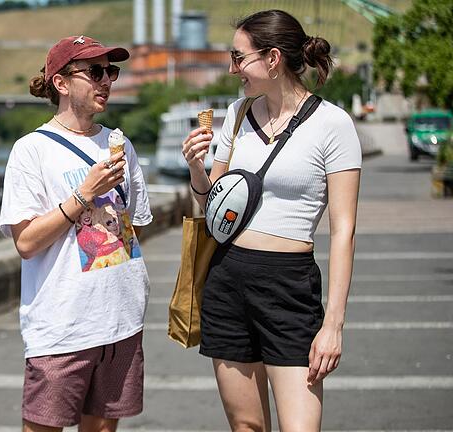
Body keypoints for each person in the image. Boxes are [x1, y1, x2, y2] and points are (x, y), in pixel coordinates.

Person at [181, 10, 361, 431]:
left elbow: (344, 231)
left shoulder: (333, 125)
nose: (232, 68)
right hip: (226, 279)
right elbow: (214, 206)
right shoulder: (237, 114)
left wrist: (333, 323)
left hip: (289, 286)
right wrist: (195, 169)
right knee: (247, 427)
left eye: (238, 57)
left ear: (273, 58)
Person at [0, 35, 153, 432]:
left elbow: (132, 226)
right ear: (61, 83)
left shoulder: (120, 145)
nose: (106, 81)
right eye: (95, 71)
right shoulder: (31, 150)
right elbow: (27, 243)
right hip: (63, 326)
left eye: (111, 71)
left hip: (121, 319)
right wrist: (85, 193)